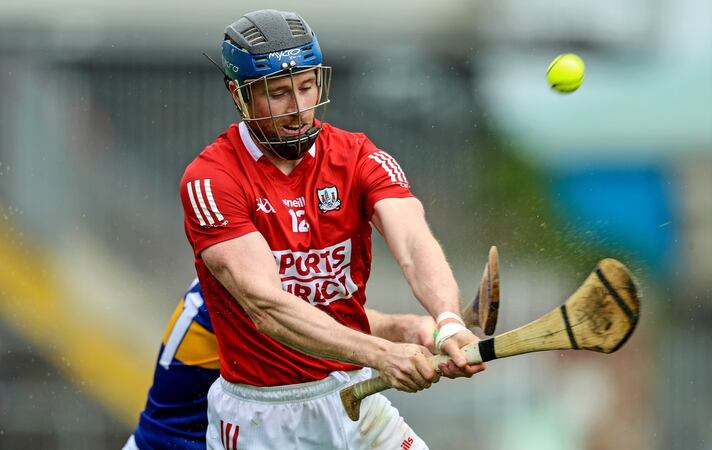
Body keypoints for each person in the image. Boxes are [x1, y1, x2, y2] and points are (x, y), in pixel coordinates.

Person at [179, 9, 484, 449]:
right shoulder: (211, 179)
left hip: (355, 396)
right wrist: (383, 355)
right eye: (278, 93)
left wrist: (448, 319)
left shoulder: (357, 154)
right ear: (239, 95)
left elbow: (413, 241)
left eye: (306, 86)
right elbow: (268, 307)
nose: (298, 108)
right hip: (266, 419)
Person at [123, 280, 437, 450]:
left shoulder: (237, 279)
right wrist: (396, 348)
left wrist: (415, 328)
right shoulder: (244, 295)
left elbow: (325, 319)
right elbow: (315, 329)